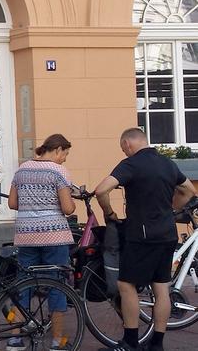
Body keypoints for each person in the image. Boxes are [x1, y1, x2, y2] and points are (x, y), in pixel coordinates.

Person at [94, 128, 196, 351]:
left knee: (126, 284)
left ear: (128, 144)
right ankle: (156, 344)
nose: (124, 152)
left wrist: (109, 213)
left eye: (123, 148)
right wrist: (171, 209)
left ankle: (130, 342)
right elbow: (188, 191)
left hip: (141, 235)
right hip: (167, 233)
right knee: (161, 288)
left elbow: (101, 190)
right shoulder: (167, 164)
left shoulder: (131, 164)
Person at [6, 134, 75, 351]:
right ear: (57, 150)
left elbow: (12, 202)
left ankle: (14, 339)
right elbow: (67, 208)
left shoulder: (22, 169)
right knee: (57, 284)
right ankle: (56, 341)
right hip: (55, 236)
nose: (64, 159)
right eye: (65, 154)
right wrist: (71, 202)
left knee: (24, 282)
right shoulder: (59, 171)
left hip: (26, 236)